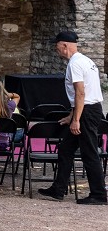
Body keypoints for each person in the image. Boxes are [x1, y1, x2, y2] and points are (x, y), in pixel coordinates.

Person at [37, 29, 107, 205]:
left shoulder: (75, 64)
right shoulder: (86, 60)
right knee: (66, 149)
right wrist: (71, 115)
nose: (56, 50)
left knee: (89, 152)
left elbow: (81, 93)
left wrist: (76, 119)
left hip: (87, 112)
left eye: (57, 46)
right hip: (88, 109)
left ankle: (98, 194)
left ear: (64, 45)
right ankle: (58, 189)